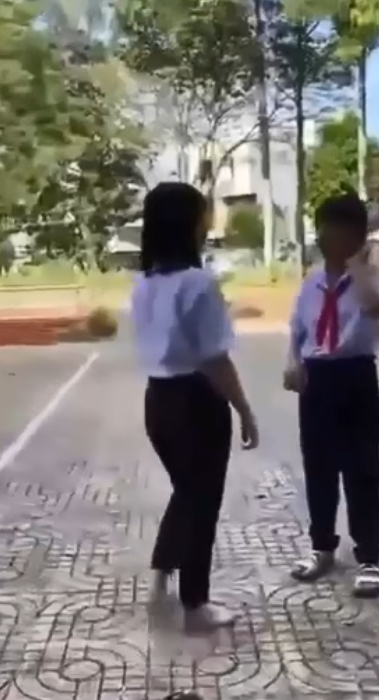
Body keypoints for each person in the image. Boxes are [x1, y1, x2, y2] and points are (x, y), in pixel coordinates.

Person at [131, 182, 259, 633]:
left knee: (186, 490)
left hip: (158, 400)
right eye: (204, 214)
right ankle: (196, 604)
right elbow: (214, 359)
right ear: (188, 223)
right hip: (196, 401)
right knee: (202, 501)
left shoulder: (144, 282)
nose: (208, 222)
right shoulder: (199, 283)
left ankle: (161, 570)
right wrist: (244, 409)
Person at [283, 192, 379, 598]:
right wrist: (293, 362)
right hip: (317, 380)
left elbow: (377, 307)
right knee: (319, 469)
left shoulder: (374, 276)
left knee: (362, 469)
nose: (331, 238)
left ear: (359, 236)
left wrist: (357, 266)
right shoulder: (310, 282)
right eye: (327, 229)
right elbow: (298, 330)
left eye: (343, 231)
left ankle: (369, 558)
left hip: (356, 376)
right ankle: (322, 547)